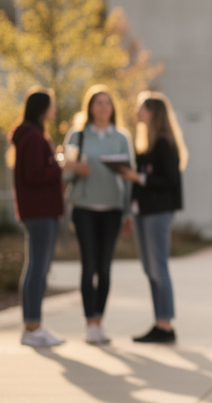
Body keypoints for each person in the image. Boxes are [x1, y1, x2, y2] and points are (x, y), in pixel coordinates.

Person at [63, 85, 135, 345]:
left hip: (113, 210)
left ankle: (100, 320)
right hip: (84, 208)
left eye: (107, 103)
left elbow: (129, 178)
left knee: (104, 268)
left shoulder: (122, 137)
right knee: (89, 266)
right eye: (98, 103)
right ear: (90, 107)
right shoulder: (77, 136)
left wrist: (128, 213)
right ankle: (89, 322)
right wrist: (75, 169)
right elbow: (65, 172)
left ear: (113, 108)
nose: (103, 107)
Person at [118, 92, 187, 344]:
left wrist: (139, 178)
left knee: (158, 267)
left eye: (141, 109)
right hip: (143, 212)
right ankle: (161, 321)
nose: (137, 113)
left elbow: (169, 180)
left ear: (153, 112)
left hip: (158, 213)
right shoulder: (148, 143)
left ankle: (165, 325)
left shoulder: (164, 143)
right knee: (150, 269)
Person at [10, 88, 74, 348]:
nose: (55, 110)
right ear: (42, 109)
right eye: (52, 106)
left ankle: (33, 325)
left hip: (38, 210)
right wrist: (61, 167)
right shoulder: (34, 138)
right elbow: (35, 175)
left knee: (36, 267)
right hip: (40, 211)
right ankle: (32, 327)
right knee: (38, 268)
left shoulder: (30, 136)